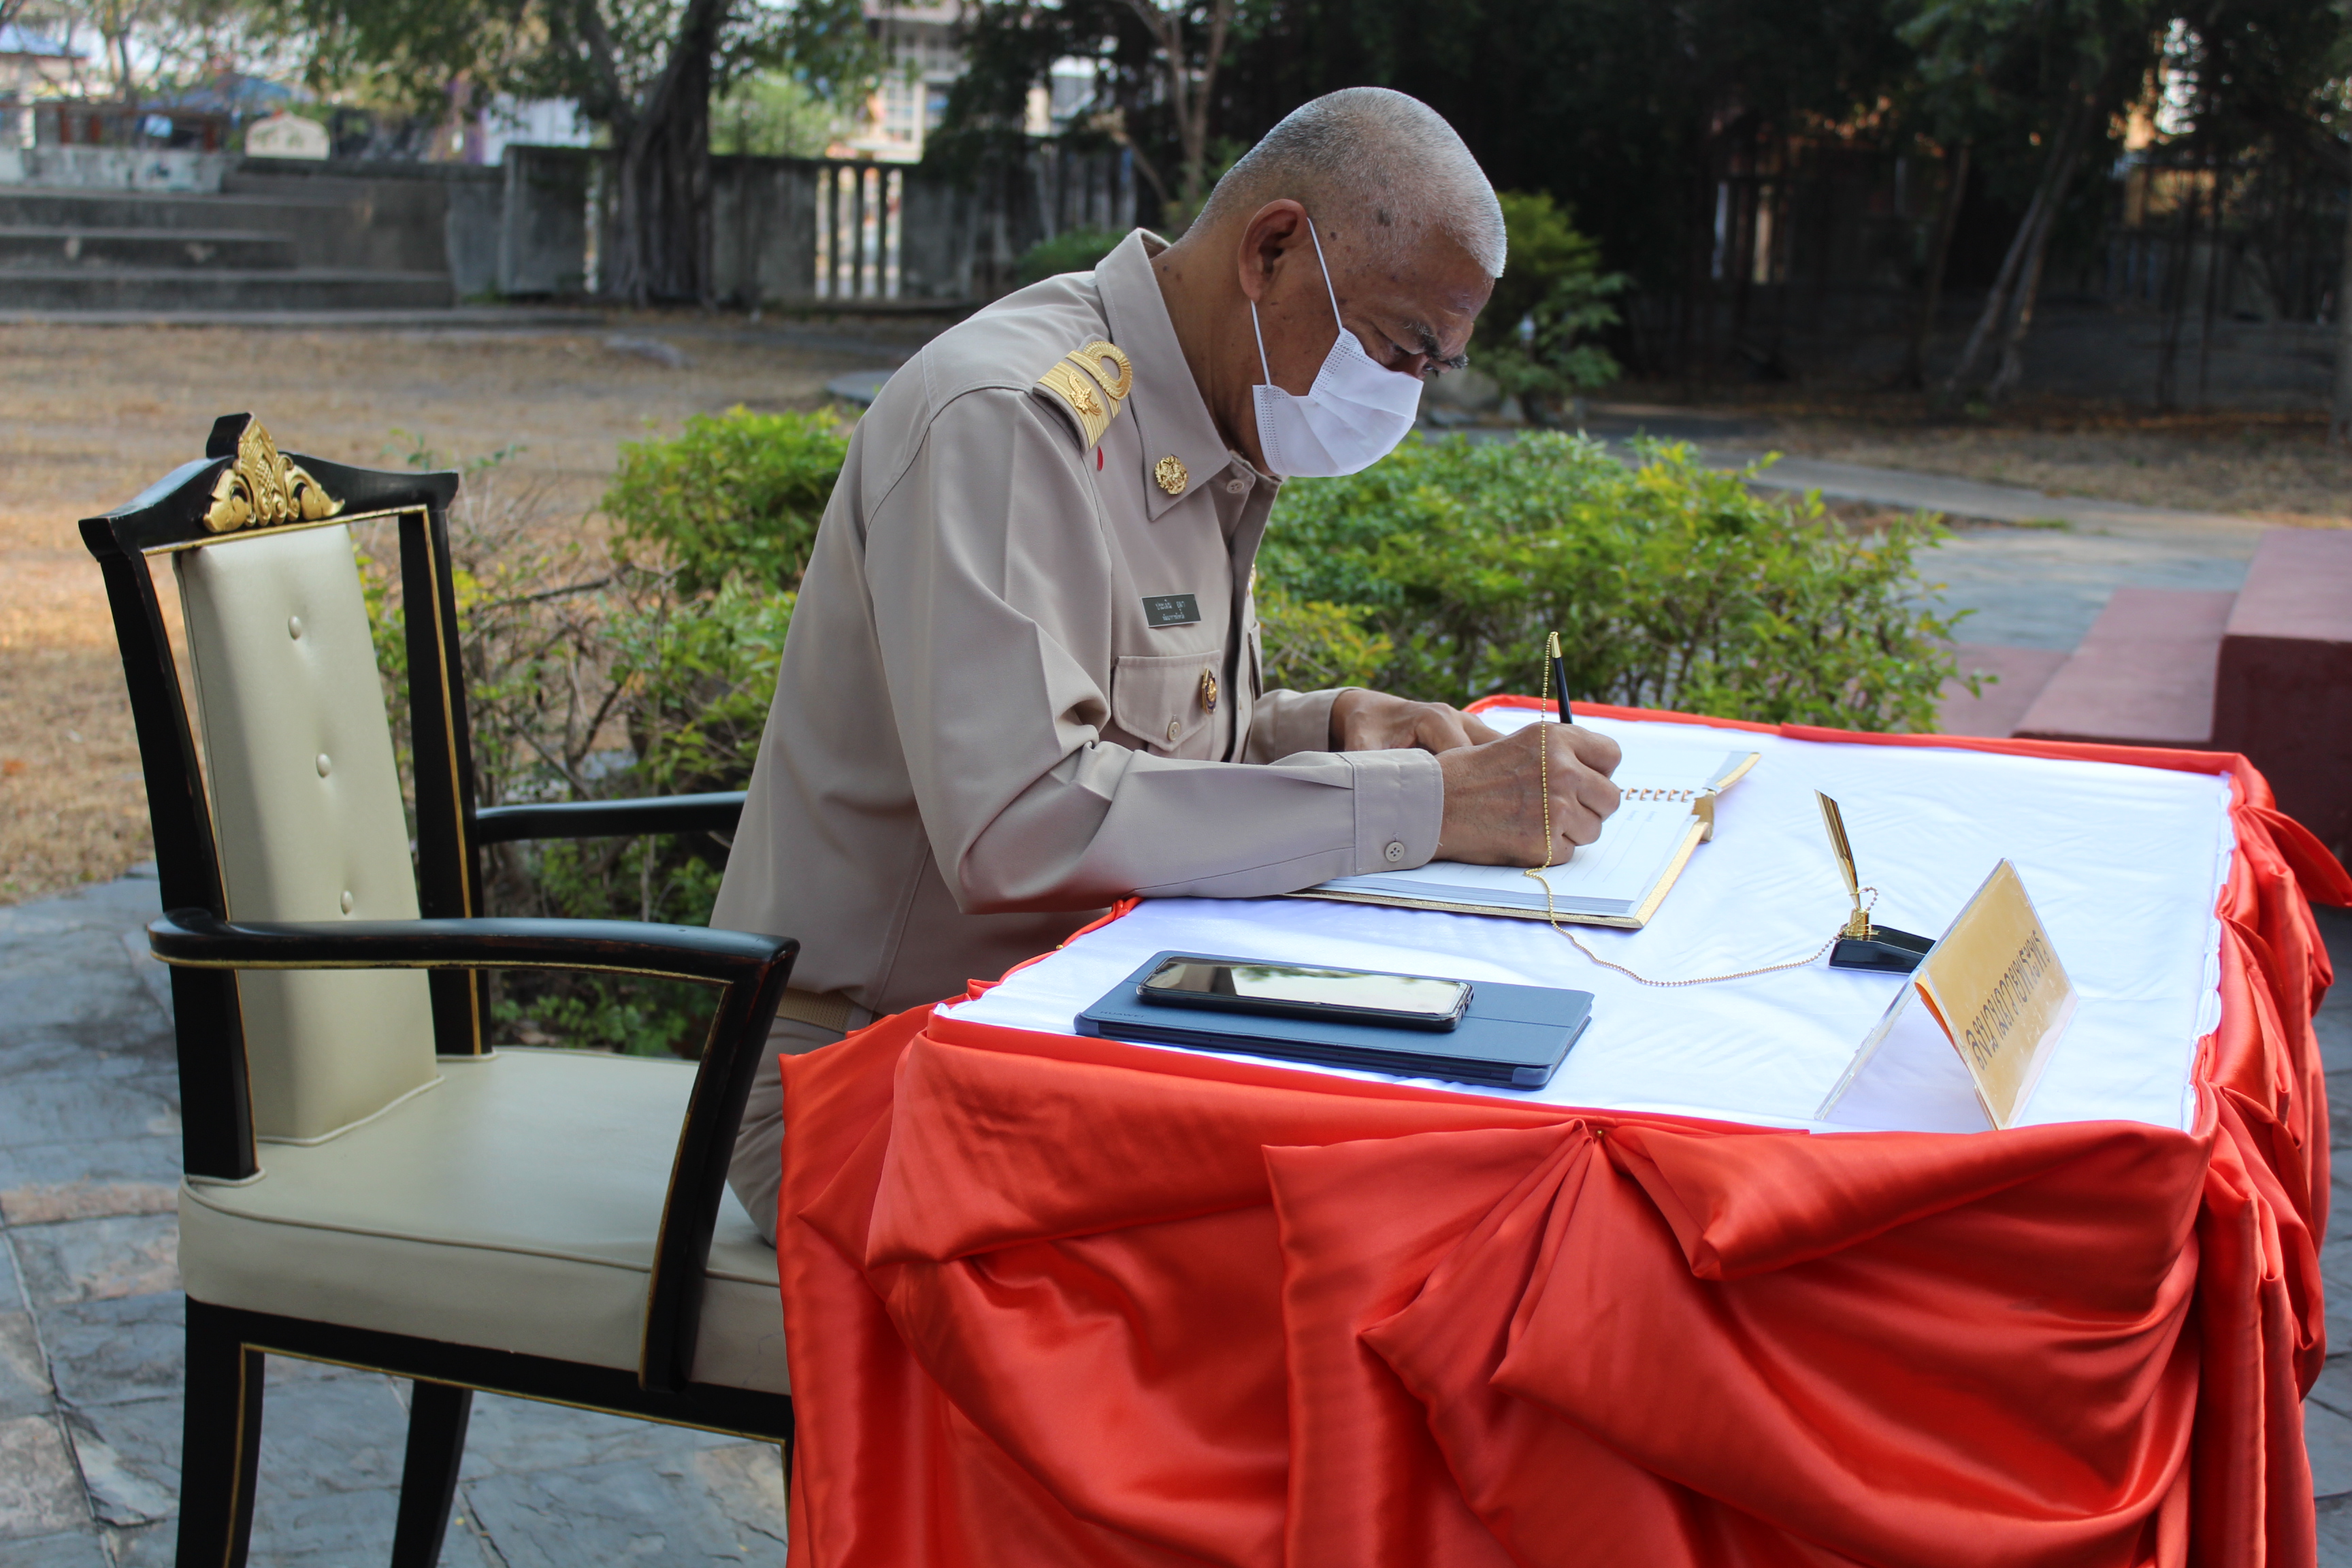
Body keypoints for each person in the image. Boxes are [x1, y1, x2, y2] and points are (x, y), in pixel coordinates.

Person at [715, 86, 1622, 1241]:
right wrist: (1424, 807)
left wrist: (1329, 728)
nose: (1403, 395)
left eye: (1432, 369)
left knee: (1445, 1170)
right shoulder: (1013, 420)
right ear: (1274, 250)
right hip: (870, 1072)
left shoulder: (1202, 419)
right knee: (1361, 1238)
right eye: (1401, 347)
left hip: (1077, 1015)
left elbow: (1151, 745)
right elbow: (1025, 824)